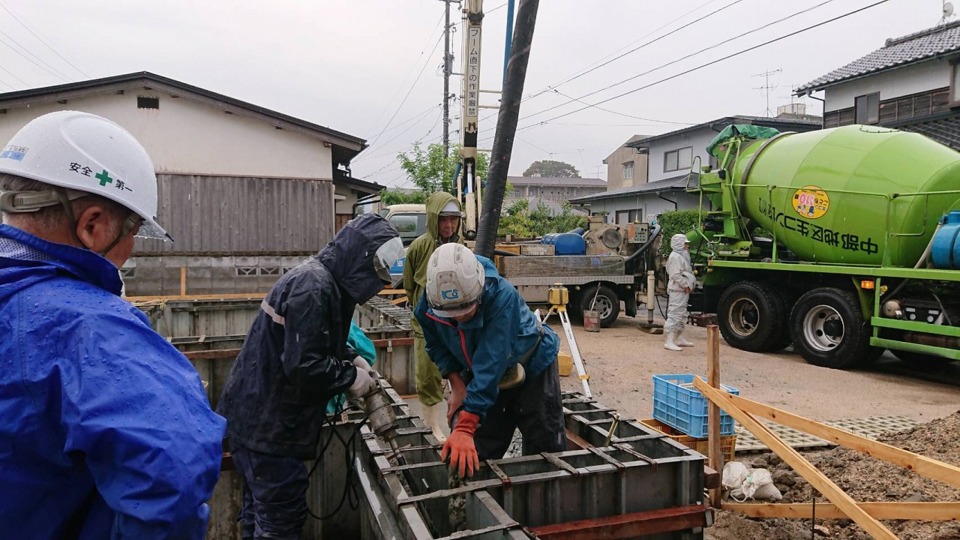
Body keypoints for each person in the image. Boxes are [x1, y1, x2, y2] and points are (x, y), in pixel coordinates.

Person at [0, 111, 226, 539]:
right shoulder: (92, 329)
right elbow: (170, 480)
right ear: (93, 225)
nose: (129, 251)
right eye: (133, 231)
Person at [217, 212, 402, 539]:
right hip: (270, 429)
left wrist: (351, 358)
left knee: (257, 513)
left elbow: (315, 341)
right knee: (279, 520)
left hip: (258, 420)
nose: (377, 286)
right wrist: (350, 378)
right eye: (376, 275)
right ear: (359, 259)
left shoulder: (323, 281)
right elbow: (304, 365)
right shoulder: (314, 287)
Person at [414, 243, 565, 478]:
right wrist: (456, 384)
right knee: (480, 448)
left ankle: (544, 503)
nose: (460, 318)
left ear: (478, 289)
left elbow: (492, 360)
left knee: (545, 449)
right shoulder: (426, 307)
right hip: (481, 371)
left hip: (532, 363)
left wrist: (465, 425)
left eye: (465, 309)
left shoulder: (502, 296)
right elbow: (436, 345)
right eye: (451, 314)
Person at [403, 191, 463, 441]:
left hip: (452, 322)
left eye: (453, 219)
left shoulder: (459, 248)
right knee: (427, 376)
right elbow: (408, 285)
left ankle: (458, 421)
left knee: (458, 372)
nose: (448, 225)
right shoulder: (418, 247)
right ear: (432, 219)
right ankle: (432, 425)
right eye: (442, 219)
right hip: (426, 324)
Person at [664, 233, 696, 351]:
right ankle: (669, 340)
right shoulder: (675, 257)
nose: (687, 246)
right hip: (677, 289)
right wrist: (686, 284)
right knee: (675, 313)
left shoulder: (681, 255)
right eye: (685, 244)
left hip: (681, 289)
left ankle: (679, 337)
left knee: (682, 313)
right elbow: (675, 275)